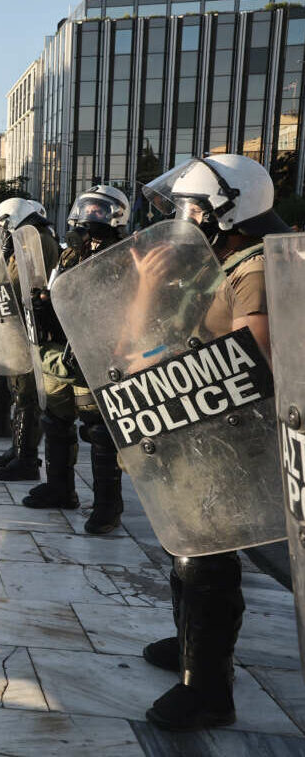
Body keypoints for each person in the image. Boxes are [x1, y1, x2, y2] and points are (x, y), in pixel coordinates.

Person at [118, 155, 284, 731]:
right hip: (202, 430)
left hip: (230, 438)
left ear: (228, 209)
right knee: (187, 544)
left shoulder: (255, 268)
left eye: (192, 208)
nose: (185, 219)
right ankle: (193, 646)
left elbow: (252, 352)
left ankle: (210, 689)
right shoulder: (223, 263)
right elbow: (143, 342)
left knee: (208, 559)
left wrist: (168, 359)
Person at [20, 186, 130, 531]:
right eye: (87, 209)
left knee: (99, 430)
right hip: (64, 347)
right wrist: (43, 304)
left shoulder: (124, 254)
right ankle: (60, 487)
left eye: (98, 211)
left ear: (115, 216)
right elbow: (59, 291)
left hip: (101, 349)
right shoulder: (70, 254)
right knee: (55, 417)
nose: (90, 216)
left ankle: (107, 506)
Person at [0, 199, 52, 486]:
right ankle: (19, 449)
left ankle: (27, 459)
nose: (5, 232)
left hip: (30, 328)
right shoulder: (27, 239)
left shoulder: (37, 239)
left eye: (7, 225)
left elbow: (20, 281)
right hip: (19, 326)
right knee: (20, 393)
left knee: (29, 396)